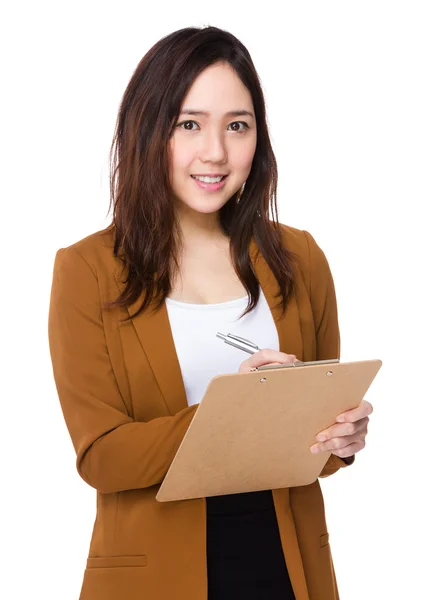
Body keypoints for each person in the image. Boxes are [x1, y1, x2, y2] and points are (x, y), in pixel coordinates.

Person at [48, 25, 373, 600]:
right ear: (148, 131)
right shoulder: (89, 269)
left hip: (287, 567)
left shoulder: (300, 258)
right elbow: (101, 456)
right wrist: (230, 412)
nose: (216, 152)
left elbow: (313, 455)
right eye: (189, 124)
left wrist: (340, 440)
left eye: (238, 126)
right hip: (154, 579)